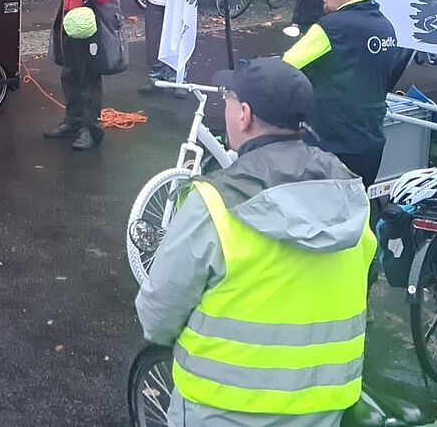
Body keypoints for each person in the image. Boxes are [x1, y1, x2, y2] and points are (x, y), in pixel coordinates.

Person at [135, 57, 375, 427]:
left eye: (228, 99)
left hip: (222, 407)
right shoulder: (348, 193)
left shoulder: (214, 203)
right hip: (322, 405)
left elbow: (159, 313)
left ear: (244, 114)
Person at [282, 0, 399, 188]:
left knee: (319, 217)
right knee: (354, 213)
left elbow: (286, 67)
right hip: (370, 143)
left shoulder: (331, 28)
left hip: (329, 145)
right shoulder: (386, 27)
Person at [45, 0, 118, 149]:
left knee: (88, 78)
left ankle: (91, 129)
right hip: (70, 19)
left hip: (90, 24)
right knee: (69, 74)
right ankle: (73, 121)